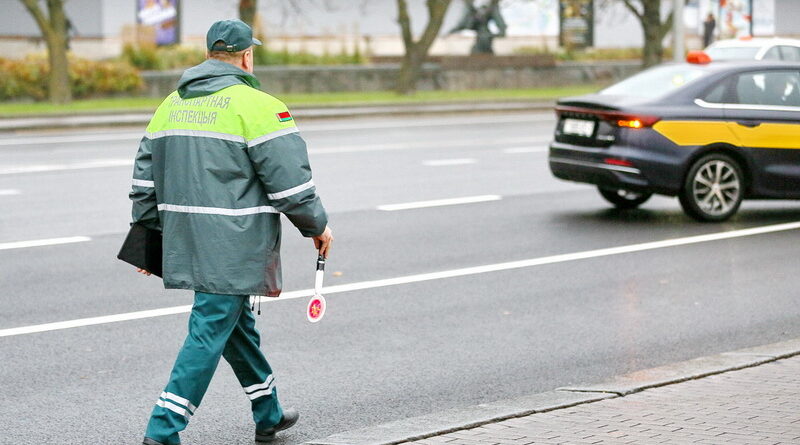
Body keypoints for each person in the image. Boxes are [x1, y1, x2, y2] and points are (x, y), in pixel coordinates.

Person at [129, 19, 333, 445]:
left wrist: (148, 237)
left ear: (209, 55)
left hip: (186, 239)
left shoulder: (171, 104)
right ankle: (162, 430)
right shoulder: (258, 106)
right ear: (246, 56)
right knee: (209, 330)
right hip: (235, 242)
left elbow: (145, 180)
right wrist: (316, 226)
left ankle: (269, 412)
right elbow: (290, 184)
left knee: (235, 326)